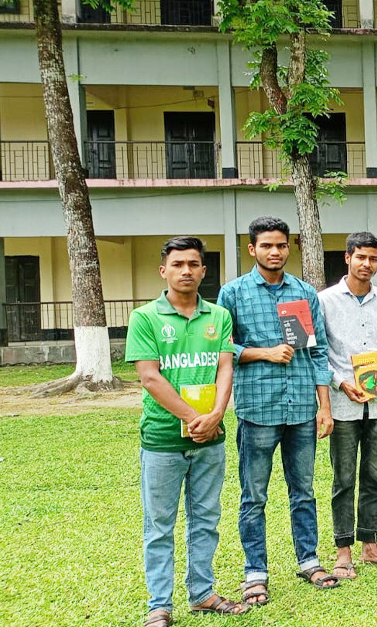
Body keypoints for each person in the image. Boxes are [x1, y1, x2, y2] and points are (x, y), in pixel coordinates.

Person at [127, 237, 247, 627]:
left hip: (211, 439)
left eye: (193, 264)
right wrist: (197, 418)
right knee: (160, 525)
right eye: (178, 264)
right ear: (163, 270)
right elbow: (150, 377)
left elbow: (225, 367)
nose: (186, 271)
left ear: (203, 271)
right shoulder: (145, 318)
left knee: (206, 519)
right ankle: (159, 605)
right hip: (163, 440)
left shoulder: (219, 316)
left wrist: (215, 415)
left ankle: (202, 593)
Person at [217, 216, 338, 600]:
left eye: (281, 245)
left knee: (303, 490)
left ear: (290, 248)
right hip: (257, 410)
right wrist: (262, 353)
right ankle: (255, 573)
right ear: (252, 249)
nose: (275, 251)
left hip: (302, 408)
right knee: (254, 495)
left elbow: (317, 352)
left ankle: (309, 562)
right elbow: (223, 348)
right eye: (266, 245)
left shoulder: (304, 294)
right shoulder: (232, 294)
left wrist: (325, 407)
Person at [318, 232, 377, 579]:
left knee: (375, 477)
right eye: (361, 257)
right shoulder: (325, 301)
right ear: (347, 258)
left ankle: (370, 545)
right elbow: (317, 353)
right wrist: (341, 382)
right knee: (343, 479)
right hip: (343, 405)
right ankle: (344, 551)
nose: (367, 264)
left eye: (373, 259)